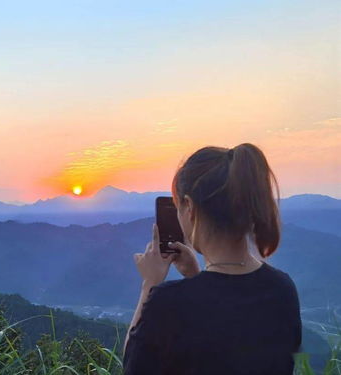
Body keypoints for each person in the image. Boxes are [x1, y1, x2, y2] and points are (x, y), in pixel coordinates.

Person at [123, 143, 302, 374]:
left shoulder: (168, 304)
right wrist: (196, 275)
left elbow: (132, 366)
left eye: (178, 206)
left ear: (190, 208)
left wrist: (149, 284)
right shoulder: (282, 289)